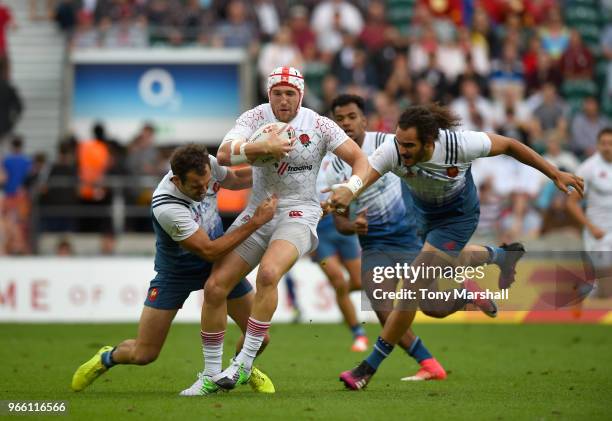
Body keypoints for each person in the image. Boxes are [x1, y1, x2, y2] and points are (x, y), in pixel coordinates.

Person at [330, 104, 583, 390]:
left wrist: (554, 173)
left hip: (457, 217)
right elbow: (364, 176)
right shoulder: (393, 149)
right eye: (399, 142)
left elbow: (511, 145)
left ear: (429, 142)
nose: (401, 150)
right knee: (431, 306)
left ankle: (367, 369)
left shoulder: (459, 144)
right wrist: (348, 191)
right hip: (421, 215)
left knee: (414, 283)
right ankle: (498, 259)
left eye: (409, 145)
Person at [199, 66, 369, 391]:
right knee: (215, 287)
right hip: (258, 209)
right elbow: (222, 154)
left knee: (268, 274)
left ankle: (244, 364)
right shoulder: (254, 118)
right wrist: (262, 148)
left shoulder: (319, 124)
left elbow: (360, 160)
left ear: (301, 96)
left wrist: (352, 186)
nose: (283, 99)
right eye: (278, 92)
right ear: (269, 93)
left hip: (300, 211)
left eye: (290, 93)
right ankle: (209, 375)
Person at [71, 144, 278, 396]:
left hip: (218, 265)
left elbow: (233, 178)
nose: (204, 191)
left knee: (260, 338)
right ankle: (107, 357)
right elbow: (208, 250)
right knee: (144, 354)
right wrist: (257, 221)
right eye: (195, 187)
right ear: (177, 180)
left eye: (206, 184)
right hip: (177, 272)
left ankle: (238, 368)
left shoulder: (207, 163)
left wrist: (274, 169)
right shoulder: (165, 205)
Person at [327, 94, 446, 380]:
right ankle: (430, 365)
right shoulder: (331, 167)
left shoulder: (390, 145)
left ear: (364, 120)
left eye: (352, 117)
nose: (346, 123)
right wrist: (353, 225)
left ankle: (467, 295)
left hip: (408, 235)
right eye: (340, 119)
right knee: (382, 309)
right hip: (374, 244)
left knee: (433, 307)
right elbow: (339, 221)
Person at [314, 153, 366, 351]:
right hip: (319, 230)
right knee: (338, 280)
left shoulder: (341, 154)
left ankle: (340, 293)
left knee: (359, 281)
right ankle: (358, 334)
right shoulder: (301, 157)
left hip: (342, 222)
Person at [567, 128, 612, 298]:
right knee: (606, 282)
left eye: (610, 143)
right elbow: (571, 203)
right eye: (603, 143)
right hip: (598, 232)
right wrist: (590, 227)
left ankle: (587, 290)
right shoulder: (588, 168)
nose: (607, 147)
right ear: (598, 145)